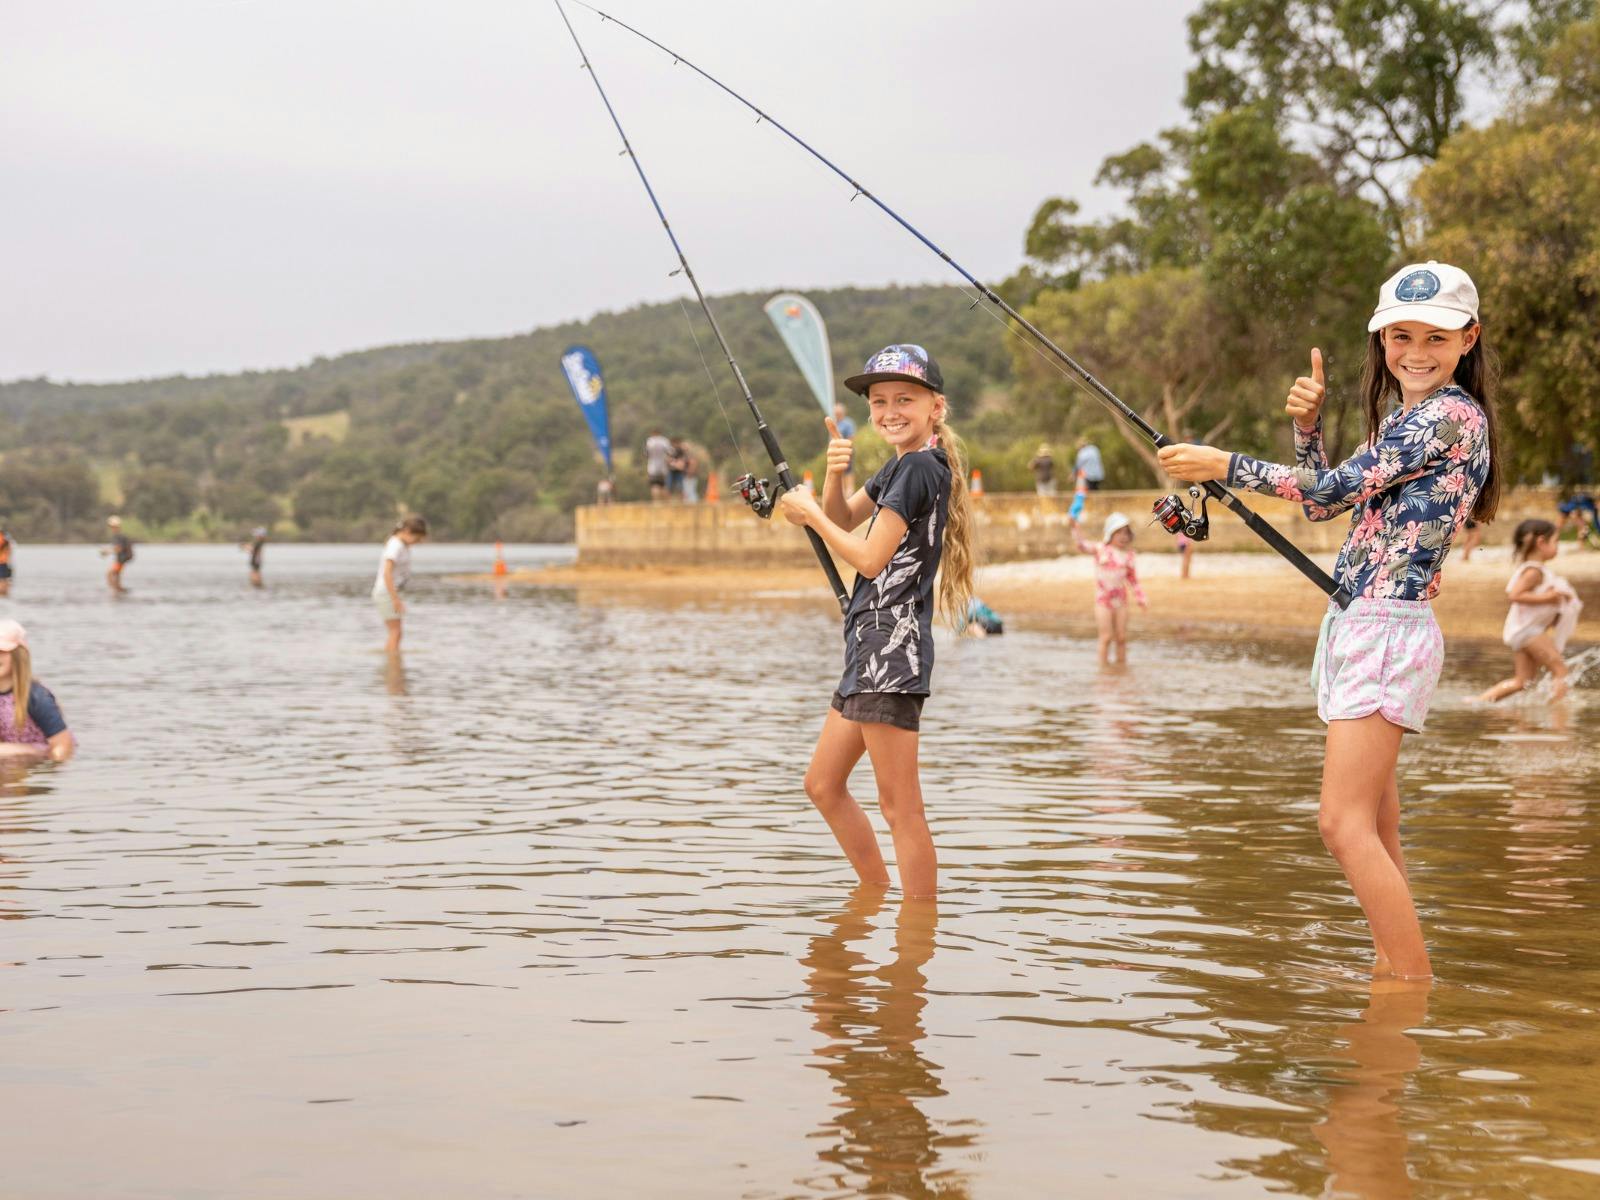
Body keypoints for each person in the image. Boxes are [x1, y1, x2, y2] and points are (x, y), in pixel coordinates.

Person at [1157, 260, 1499, 980]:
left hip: (1387, 628)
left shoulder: (1449, 415)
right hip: (1367, 624)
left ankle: (1410, 982)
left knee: (1340, 824)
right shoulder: (1411, 417)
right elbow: (1322, 501)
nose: (1414, 352)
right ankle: (1395, 981)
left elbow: (1338, 489)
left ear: (1469, 338)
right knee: (1374, 824)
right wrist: (1306, 430)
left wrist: (1226, 463)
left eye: (1435, 337)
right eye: (1399, 336)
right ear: (1382, 340)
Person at [775, 344, 975, 899]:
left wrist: (809, 512)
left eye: (904, 399)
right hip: (869, 650)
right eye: (880, 401)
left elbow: (867, 557)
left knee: (900, 807)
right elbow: (842, 518)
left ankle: (917, 938)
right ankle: (873, 898)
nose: (889, 410)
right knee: (822, 784)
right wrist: (833, 478)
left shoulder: (919, 467)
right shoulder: (899, 464)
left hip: (892, 653)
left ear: (936, 406)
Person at [1476, 519, 1583, 703]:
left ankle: (1478, 702)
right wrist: (1549, 598)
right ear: (1541, 542)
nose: (1558, 546)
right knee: (1561, 670)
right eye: (1556, 541)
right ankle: (1559, 719)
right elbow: (1515, 595)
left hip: (1524, 632)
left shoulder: (1537, 570)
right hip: (1529, 633)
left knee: (1522, 681)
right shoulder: (1533, 571)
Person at [1069, 511, 1147, 665]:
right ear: (1110, 533)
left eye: (1126, 533)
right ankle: (1104, 670)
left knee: (1121, 637)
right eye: (1119, 532)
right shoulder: (1100, 549)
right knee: (1106, 637)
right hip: (1103, 602)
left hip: (1121, 601)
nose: (1123, 536)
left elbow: (1132, 579)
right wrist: (1075, 527)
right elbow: (1082, 545)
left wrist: (1141, 597)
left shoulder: (1129, 555)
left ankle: (1121, 666)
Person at [0, 619, 74, 763]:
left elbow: (63, 745)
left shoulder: (35, 696)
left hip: (36, 760)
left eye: (1, 651)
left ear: (18, 656)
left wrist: (47, 770)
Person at [374, 515, 429, 654]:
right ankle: (393, 665)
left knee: (396, 632)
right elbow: (387, 573)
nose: (417, 542)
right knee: (396, 632)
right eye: (416, 539)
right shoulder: (395, 545)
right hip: (386, 592)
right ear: (407, 531)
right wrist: (395, 599)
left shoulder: (400, 545)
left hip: (390, 592)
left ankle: (393, 662)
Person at [101, 515, 133, 592]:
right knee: (116, 575)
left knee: (110, 574)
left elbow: (119, 548)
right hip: (122, 558)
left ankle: (115, 590)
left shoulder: (118, 536)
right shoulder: (119, 535)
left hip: (122, 559)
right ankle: (118, 589)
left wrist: (107, 552)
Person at [832, 400, 858, 495]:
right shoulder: (834, 423)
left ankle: (849, 491)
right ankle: (841, 491)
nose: (837, 414)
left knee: (848, 471)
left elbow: (851, 437)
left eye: (838, 412)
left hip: (847, 450)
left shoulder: (848, 423)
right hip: (836, 451)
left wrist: (846, 449)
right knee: (839, 472)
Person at [644, 429, 672, 502]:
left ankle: (657, 502)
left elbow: (646, 454)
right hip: (663, 466)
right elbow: (670, 452)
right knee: (663, 485)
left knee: (654, 485)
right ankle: (666, 502)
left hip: (652, 466)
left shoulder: (650, 441)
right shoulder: (664, 441)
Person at [0, 526, 12, 596]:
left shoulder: (3, 539)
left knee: (3, 579)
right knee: (4, 579)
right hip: (5, 562)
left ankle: (4, 593)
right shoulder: (6, 539)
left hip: (2, 562)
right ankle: (5, 593)